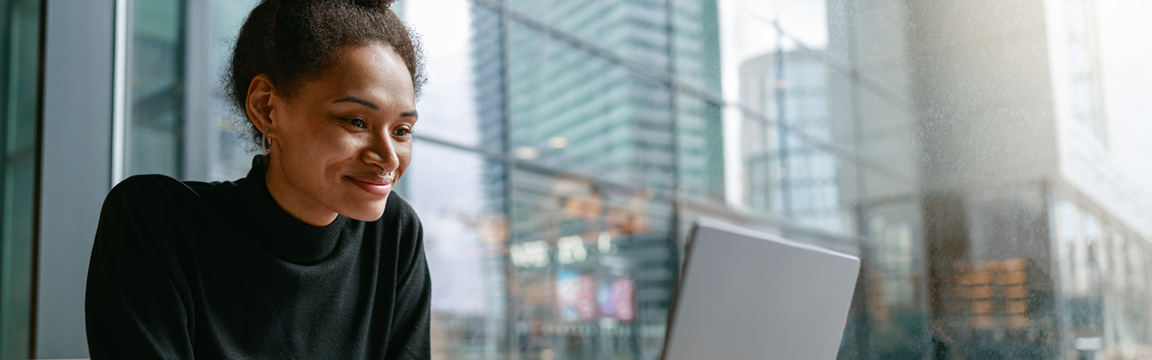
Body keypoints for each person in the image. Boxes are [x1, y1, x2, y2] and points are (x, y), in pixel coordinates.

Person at [84, 0, 430, 358]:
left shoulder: (395, 236)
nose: (388, 157)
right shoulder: (155, 223)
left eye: (402, 130)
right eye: (355, 121)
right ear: (267, 106)